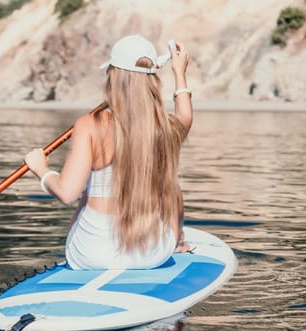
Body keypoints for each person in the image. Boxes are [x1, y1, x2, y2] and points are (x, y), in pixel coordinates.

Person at [24, 34, 193, 270]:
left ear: (113, 75)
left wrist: (41, 170)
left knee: (87, 192)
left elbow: (66, 192)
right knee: (173, 189)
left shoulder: (89, 125)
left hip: (92, 255)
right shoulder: (165, 127)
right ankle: (177, 241)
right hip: (153, 254)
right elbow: (185, 117)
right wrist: (179, 72)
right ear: (151, 81)